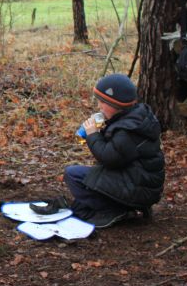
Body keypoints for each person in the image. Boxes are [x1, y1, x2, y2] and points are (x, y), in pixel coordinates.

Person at [64, 74, 165, 229]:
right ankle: (124, 206)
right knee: (79, 204)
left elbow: (108, 158)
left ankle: (112, 210)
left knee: (73, 175)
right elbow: (118, 154)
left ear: (115, 105)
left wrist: (93, 134)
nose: (99, 106)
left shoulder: (128, 130)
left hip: (139, 188)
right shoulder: (136, 118)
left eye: (102, 102)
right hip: (140, 183)